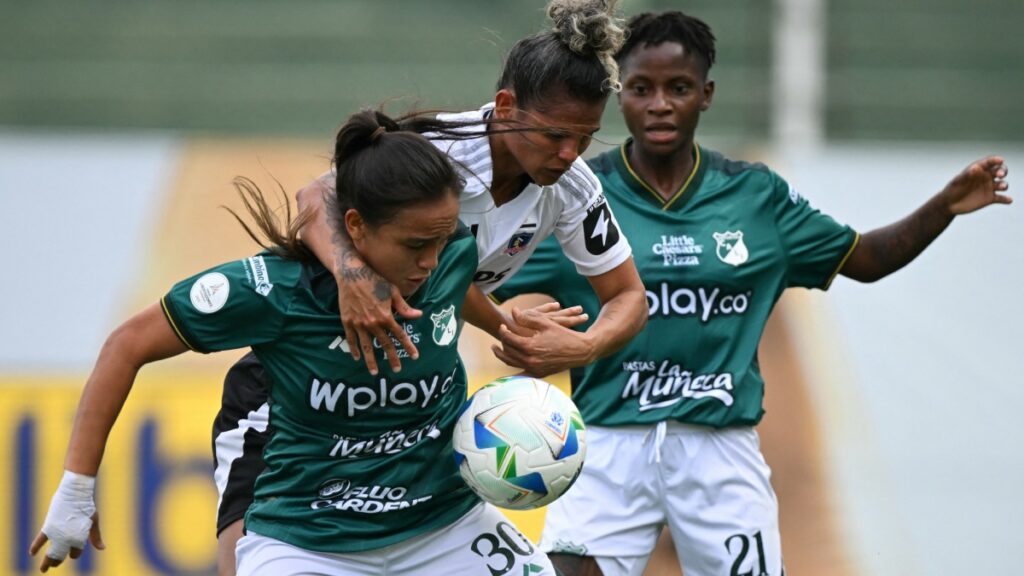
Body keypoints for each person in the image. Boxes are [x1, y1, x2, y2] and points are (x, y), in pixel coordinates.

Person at [491, 10, 1012, 576]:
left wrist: (944, 207)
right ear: (621, 96)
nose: (660, 104)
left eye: (679, 88)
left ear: (706, 94)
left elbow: (865, 259)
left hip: (720, 451)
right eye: (641, 88)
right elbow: (478, 275)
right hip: (608, 444)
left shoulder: (754, 196)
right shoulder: (579, 198)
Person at [212, 1, 649, 574]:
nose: (569, 153)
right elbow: (314, 199)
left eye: (585, 138)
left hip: (403, 394)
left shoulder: (571, 185)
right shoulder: (439, 152)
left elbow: (629, 298)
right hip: (294, 385)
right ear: (506, 107)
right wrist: (353, 277)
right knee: (250, 555)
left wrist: (580, 345)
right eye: (555, 134)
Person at [28, 110, 563, 575]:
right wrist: (76, 489)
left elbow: (456, 279)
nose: (432, 260)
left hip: (443, 522)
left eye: (443, 239)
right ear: (354, 227)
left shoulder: (448, 258)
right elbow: (126, 343)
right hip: (306, 538)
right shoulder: (271, 291)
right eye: (416, 244)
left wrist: (504, 325)